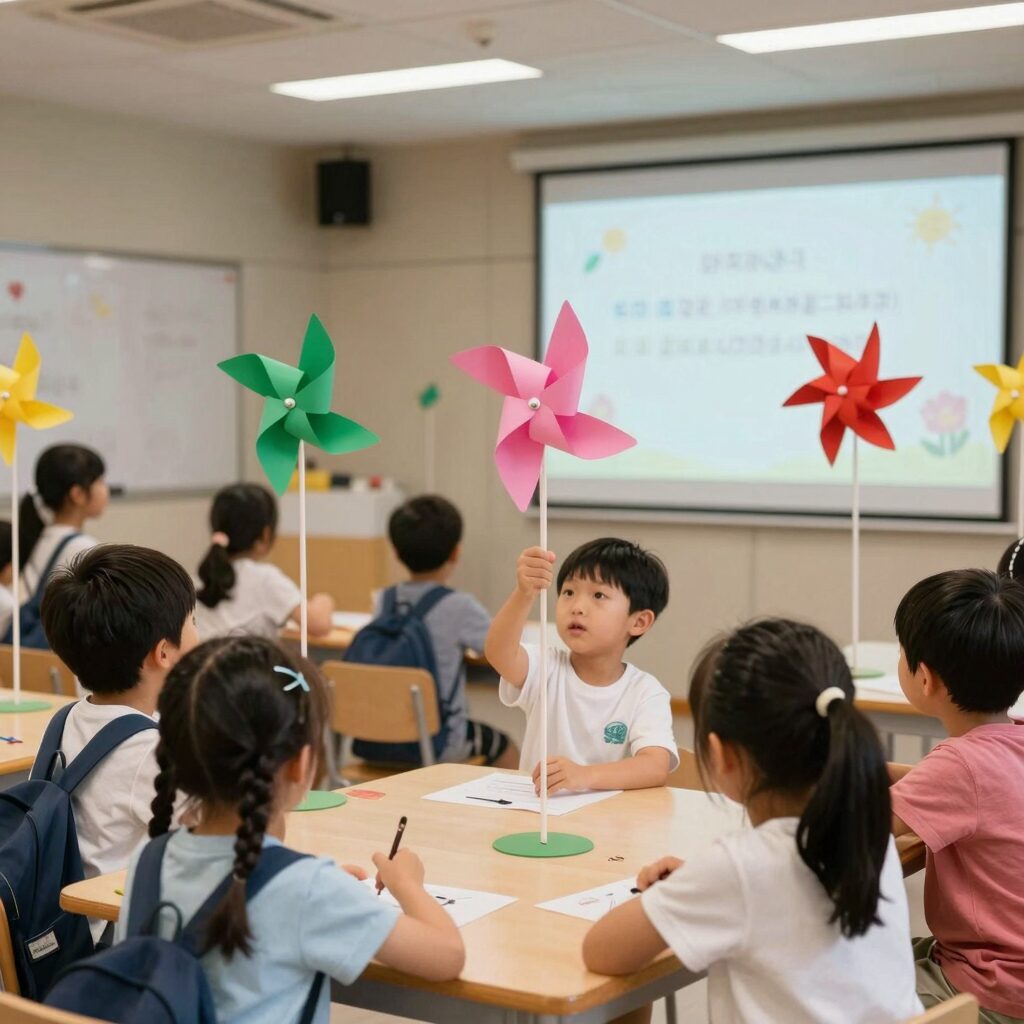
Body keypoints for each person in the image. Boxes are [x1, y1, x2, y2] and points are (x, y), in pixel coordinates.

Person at [115, 636, 465, 1023]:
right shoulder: (307, 889)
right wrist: (407, 884)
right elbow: (448, 956)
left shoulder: (148, 860)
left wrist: (315, 883)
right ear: (301, 763)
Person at [488, 537, 676, 793]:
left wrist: (584, 776)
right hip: (536, 818)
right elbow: (499, 654)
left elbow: (655, 766)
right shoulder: (546, 667)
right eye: (568, 592)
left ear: (639, 621)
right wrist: (524, 593)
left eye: (598, 595)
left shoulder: (644, 691)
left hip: (606, 824)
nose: (577, 607)